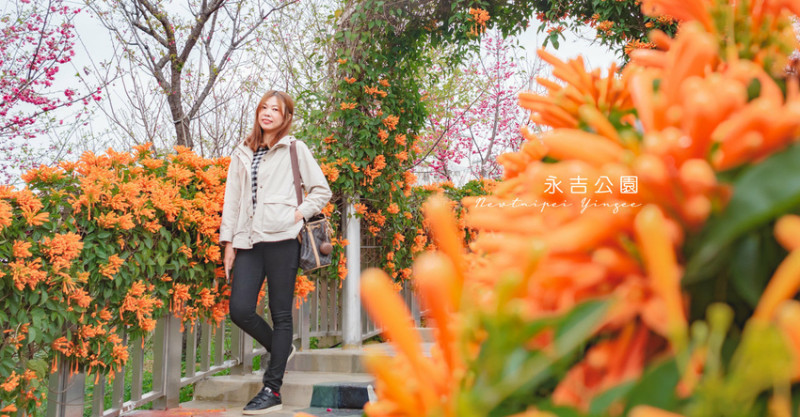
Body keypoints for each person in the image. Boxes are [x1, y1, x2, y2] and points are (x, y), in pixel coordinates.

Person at [219, 90, 332, 414]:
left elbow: (321, 190)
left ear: (285, 118)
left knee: (281, 313)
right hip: (249, 240)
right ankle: (281, 350)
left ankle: (273, 389)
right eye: (263, 108)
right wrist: (229, 243)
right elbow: (233, 200)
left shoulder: (294, 148)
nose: (268, 113)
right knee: (240, 310)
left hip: (284, 238)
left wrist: (297, 214)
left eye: (276, 110)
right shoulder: (243, 151)